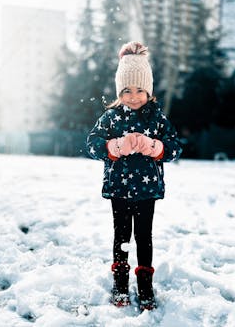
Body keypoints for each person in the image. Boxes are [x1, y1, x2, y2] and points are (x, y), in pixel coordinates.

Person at [87, 41, 182, 311]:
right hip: (119, 188)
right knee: (121, 236)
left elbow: (175, 147)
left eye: (140, 90)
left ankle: (145, 284)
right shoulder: (111, 117)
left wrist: (155, 147)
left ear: (148, 90)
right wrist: (114, 146)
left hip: (146, 190)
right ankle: (119, 282)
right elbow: (92, 144)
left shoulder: (157, 118)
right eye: (127, 90)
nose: (133, 96)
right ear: (120, 90)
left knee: (144, 236)